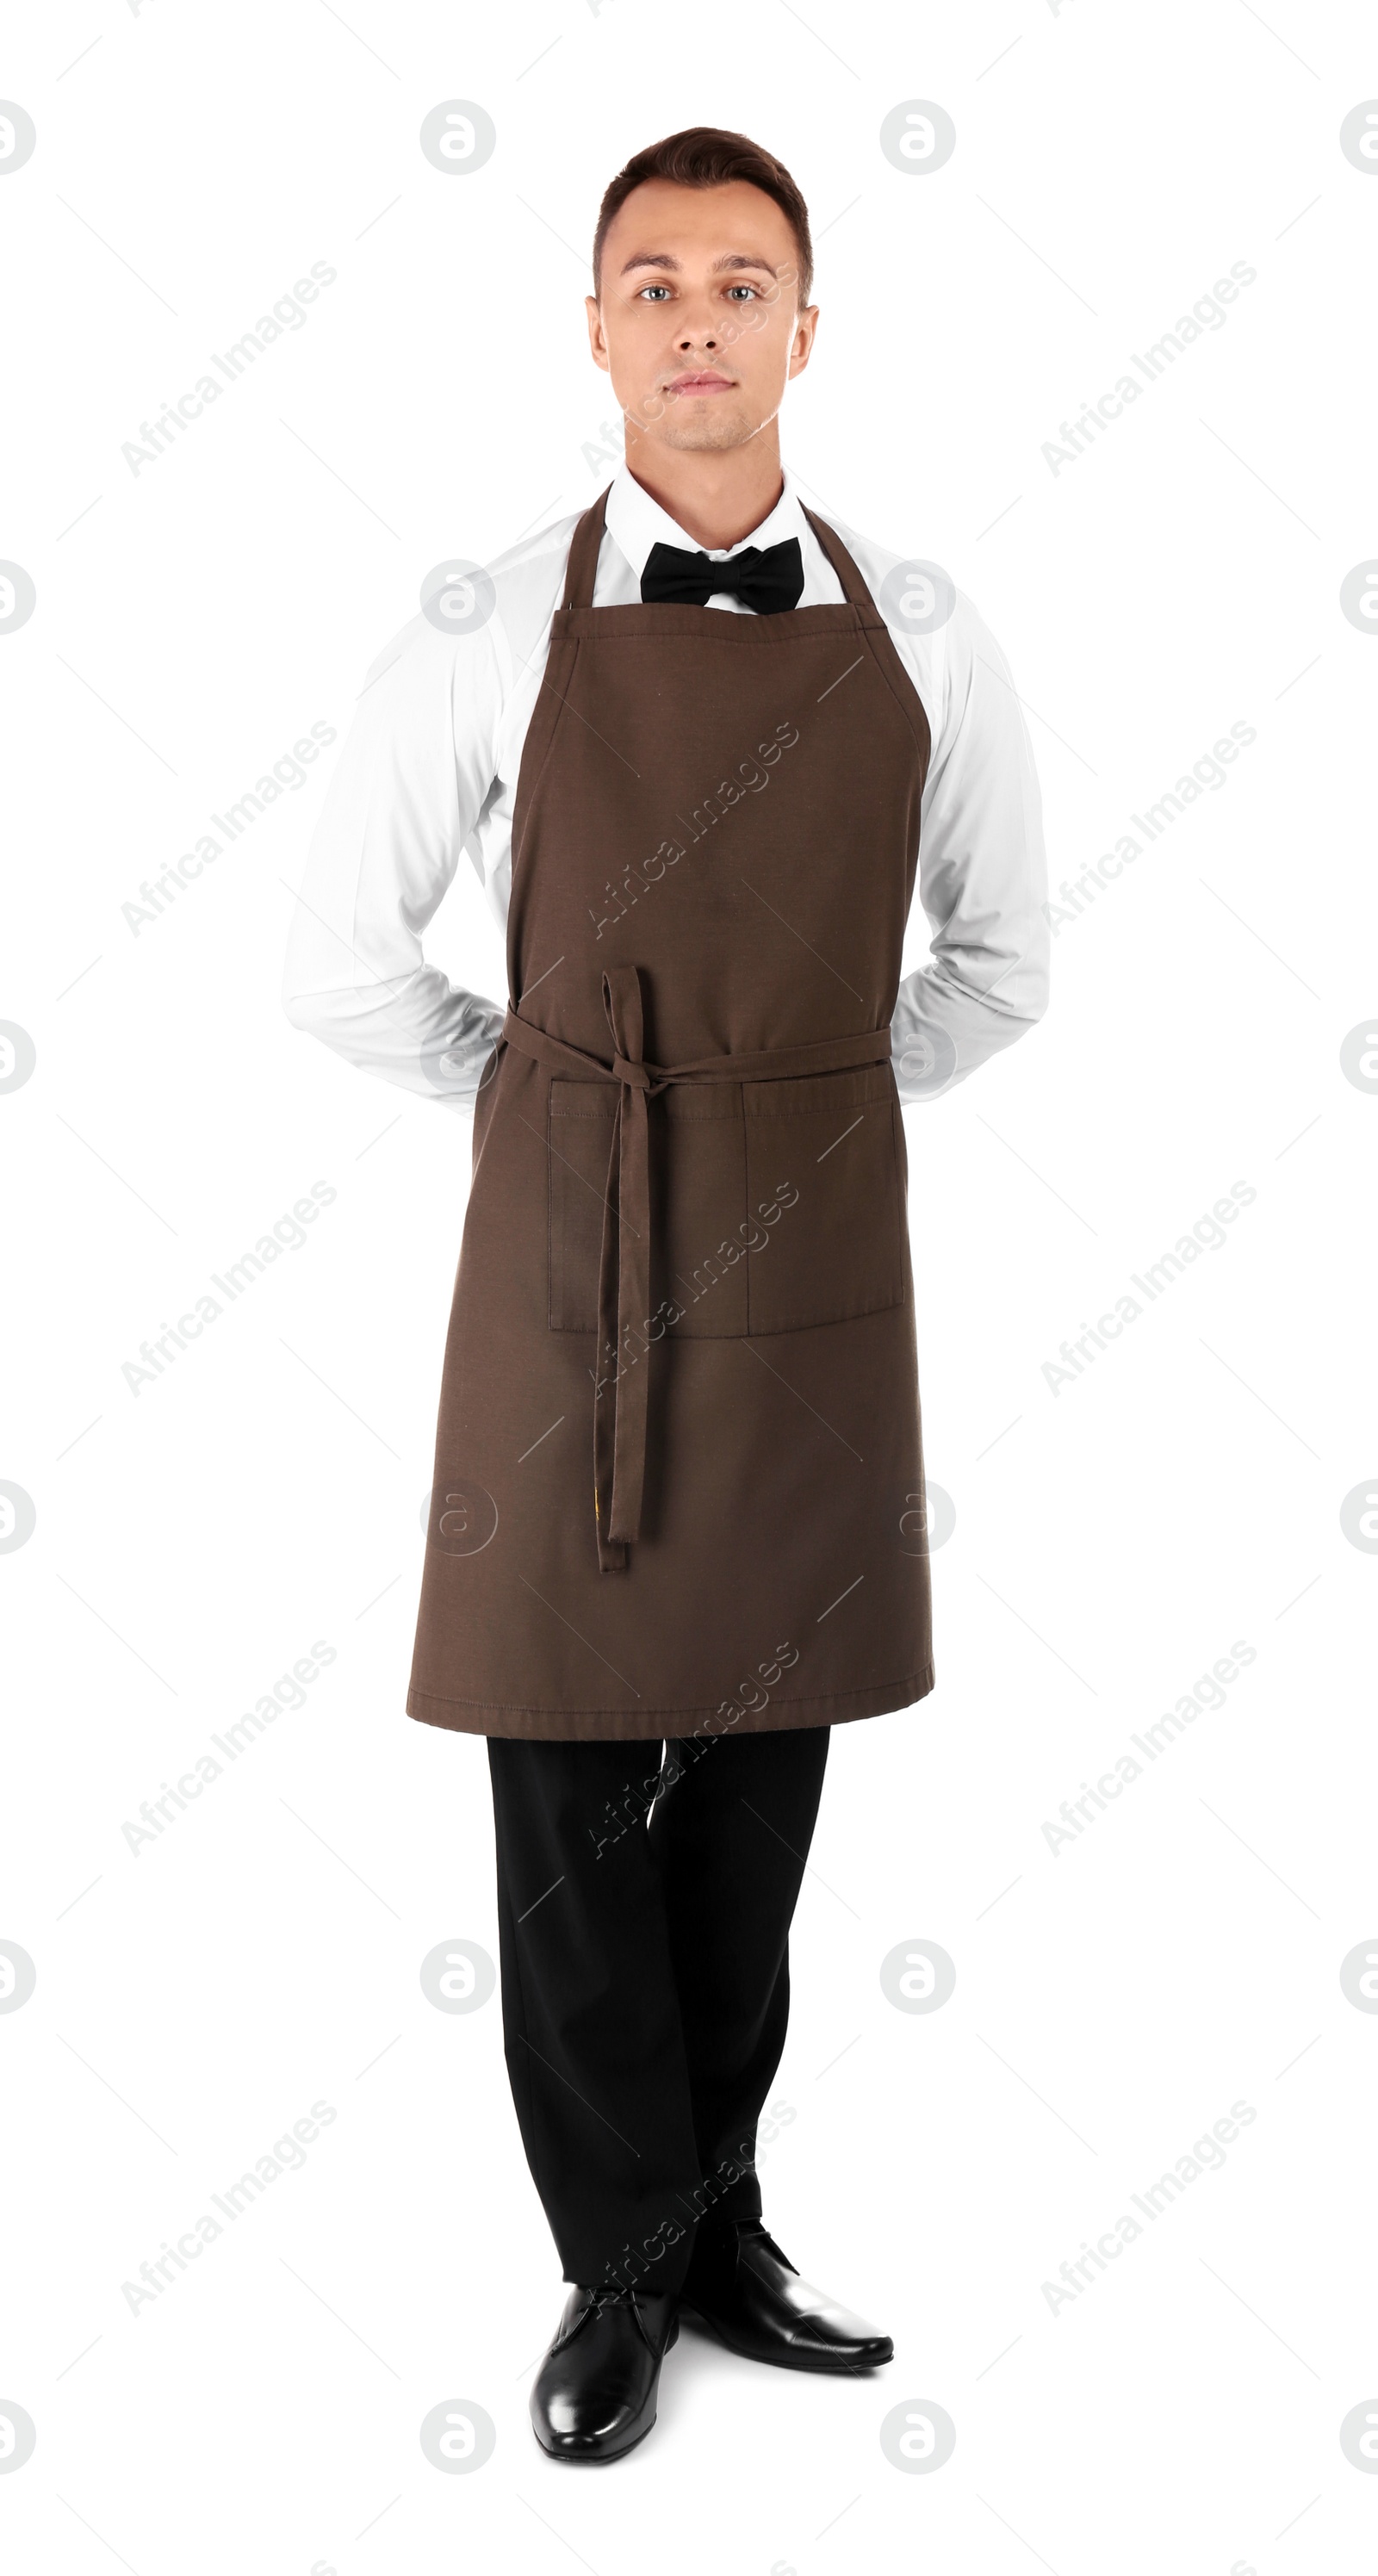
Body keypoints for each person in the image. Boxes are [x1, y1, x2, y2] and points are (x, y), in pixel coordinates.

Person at [283, 125, 1048, 2463]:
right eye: (652, 281)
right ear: (598, 331)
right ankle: (616, 2274)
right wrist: (550, 1120)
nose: (697, 314)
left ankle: (722, 2236)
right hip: (569, 1266)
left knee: (756, 1789)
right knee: (573, 1800)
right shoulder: (482, 623)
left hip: (808, 1271)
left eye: (742, 278)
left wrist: (807, 1105)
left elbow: (1005, 962)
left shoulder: (922, 623)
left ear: (807, 330)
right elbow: (337, 964)